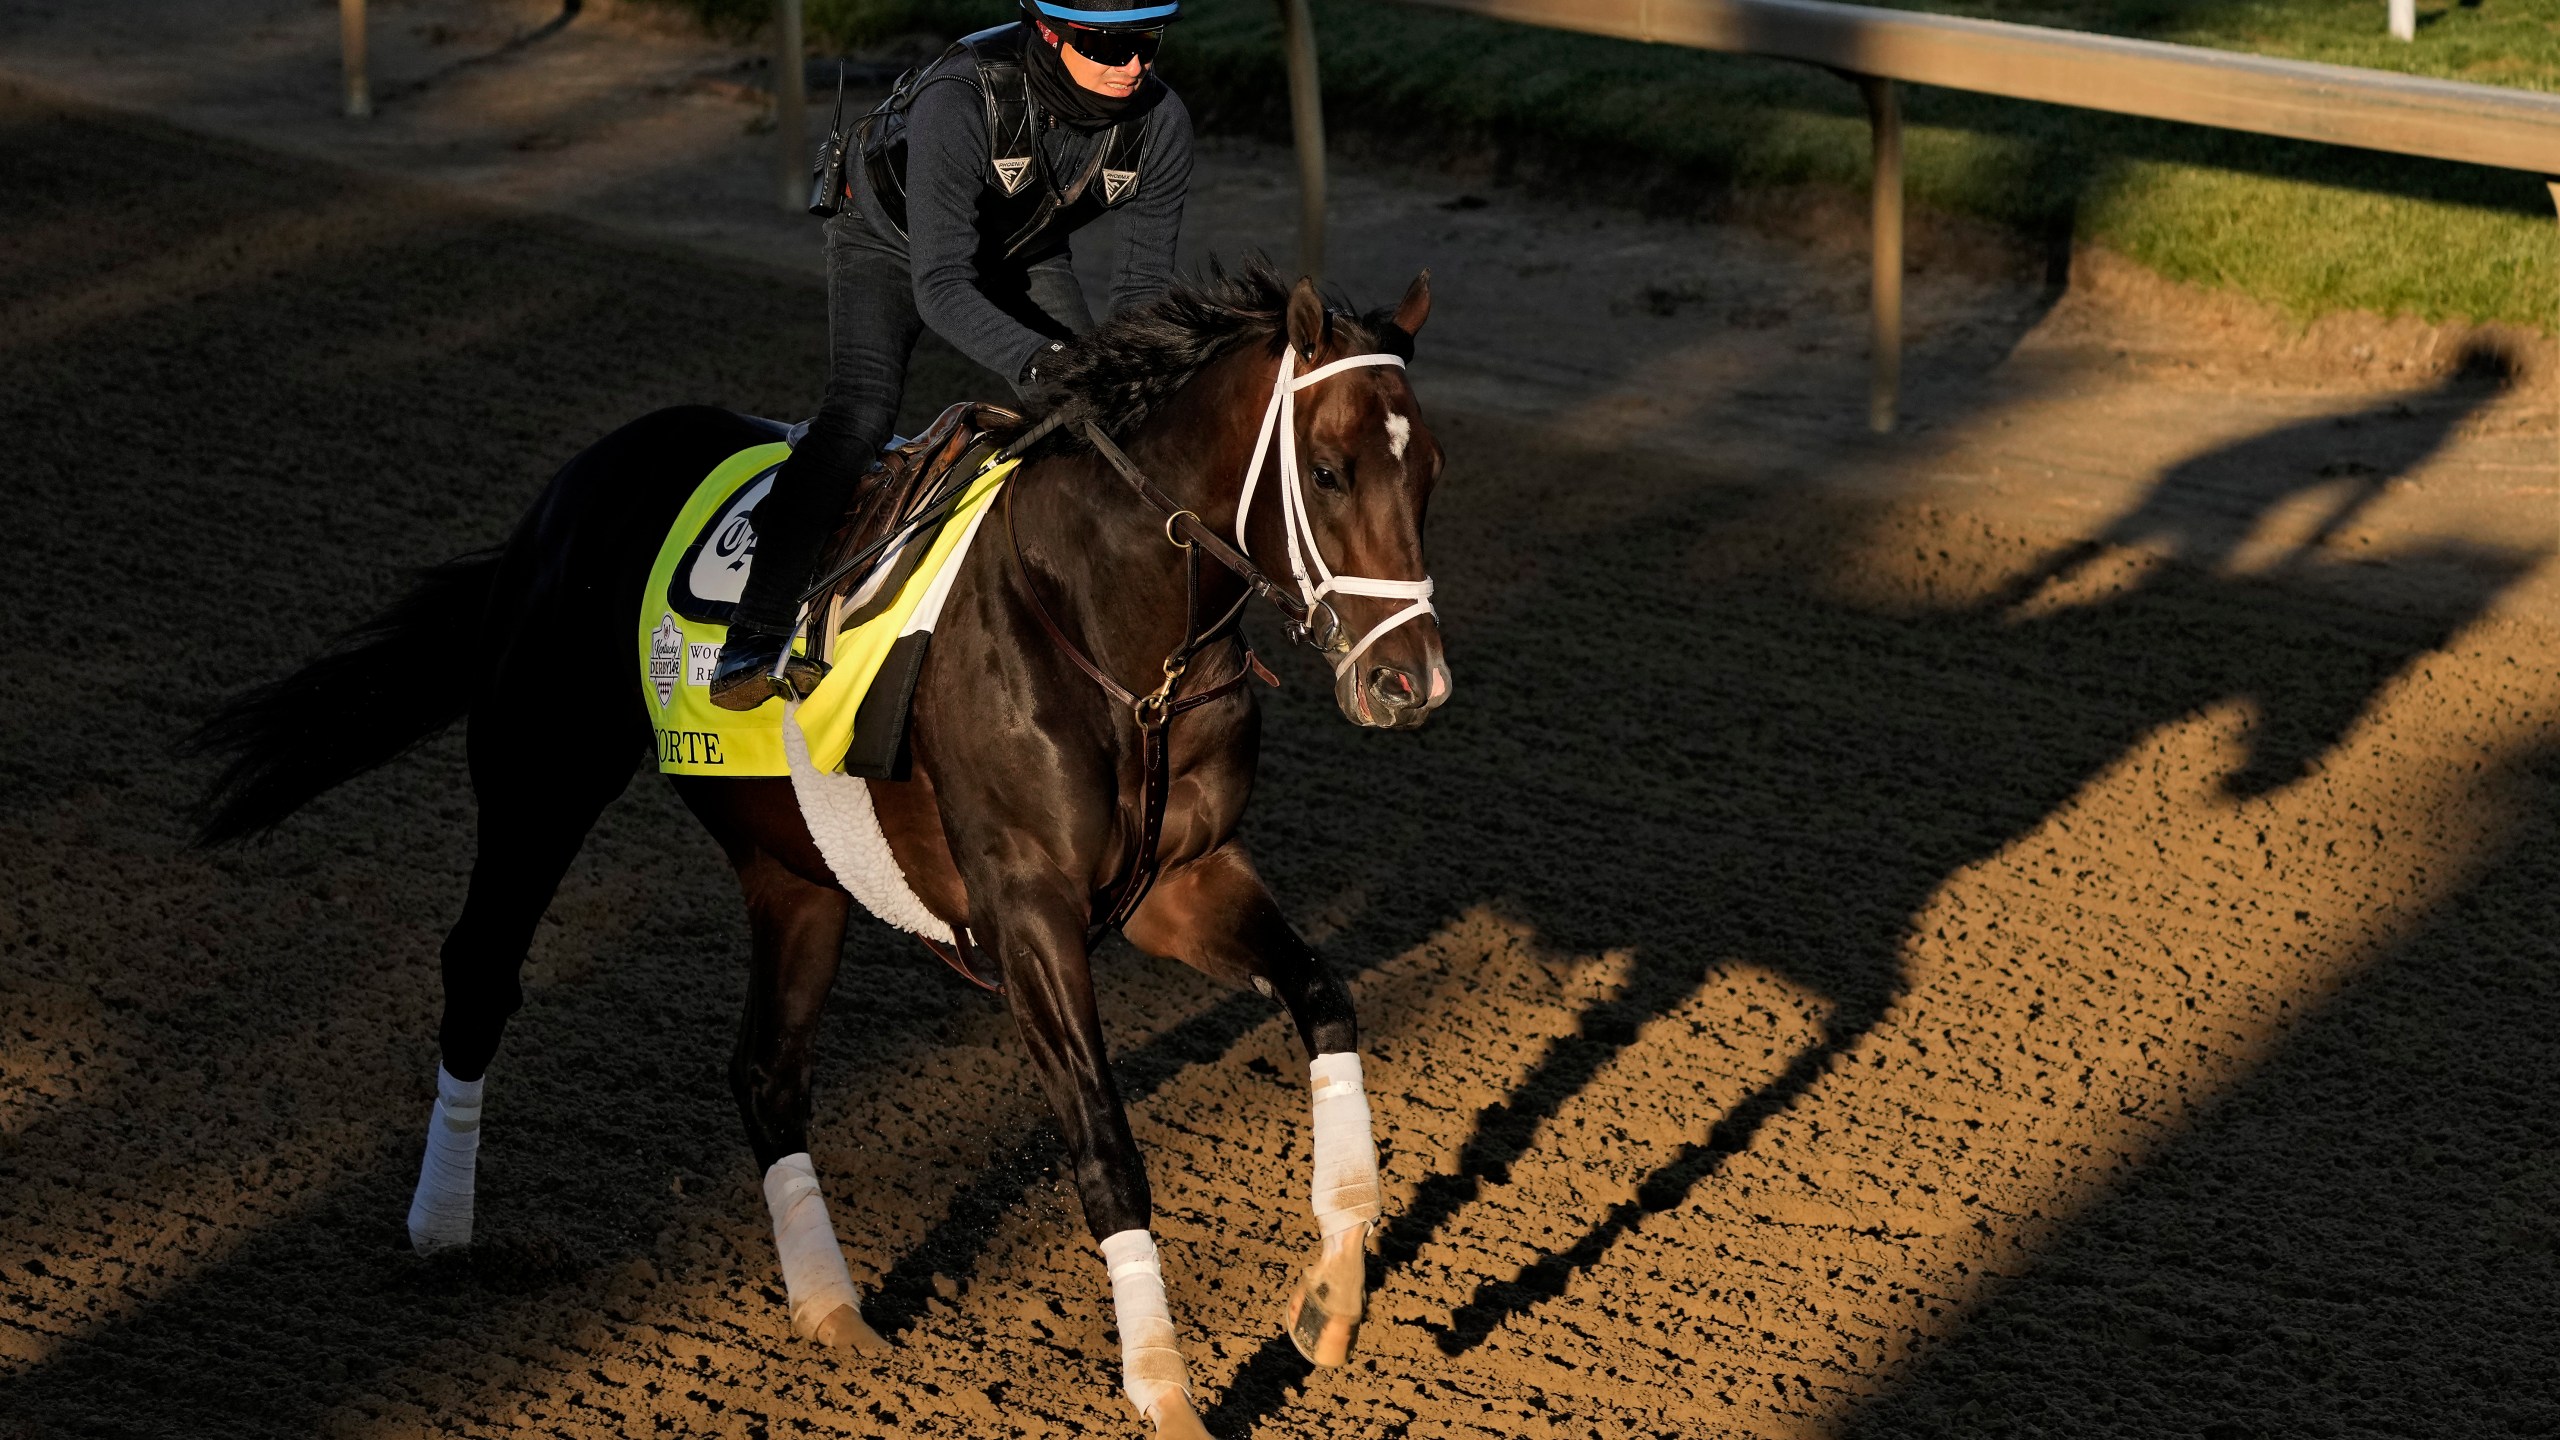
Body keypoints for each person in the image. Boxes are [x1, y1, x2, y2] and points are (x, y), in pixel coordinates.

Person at [712, 0, 1194, 710]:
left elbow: (1142, 290)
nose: (1133, 66)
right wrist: (1038, 361)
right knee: (862, 413)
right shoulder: (960, 96)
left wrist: (1124, 382)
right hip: (890, 242)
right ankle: (754, 630)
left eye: (1146, 42)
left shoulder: (1163, 121)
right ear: (1049, 32)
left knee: (1101, 419)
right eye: (1106, 45)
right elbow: (940, 286)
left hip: (1022, 248)